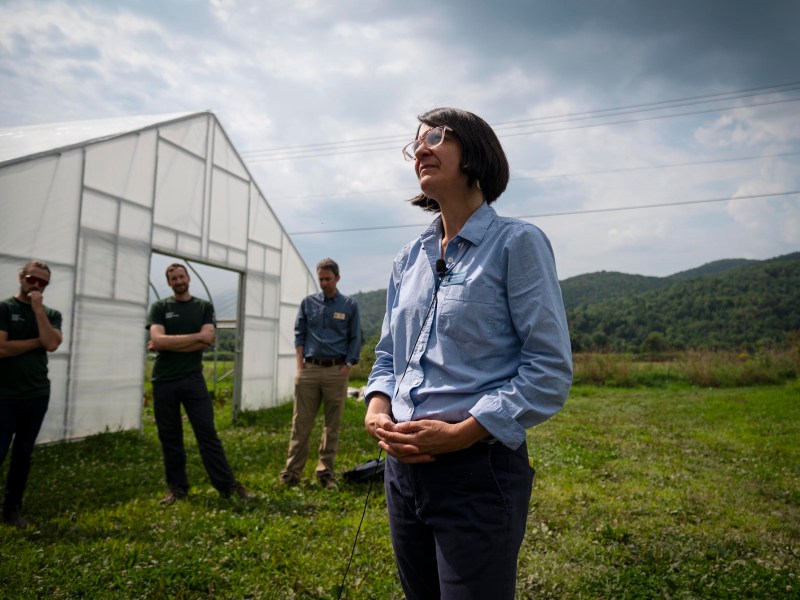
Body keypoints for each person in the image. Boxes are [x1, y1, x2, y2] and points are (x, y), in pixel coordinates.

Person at [364, 108, 573, 599]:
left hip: (477, 470)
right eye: (414, 142)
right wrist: (377, 406)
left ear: (476, 151)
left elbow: (547, 369)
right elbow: (388, 356)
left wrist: (462, 433)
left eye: (436, 136)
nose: (420, 148)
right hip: (403, 470)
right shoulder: (409, 258)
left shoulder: (516, 243)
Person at [146, 263, 250, 505]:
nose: (178, 281)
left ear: (188, 278)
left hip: (193, 378)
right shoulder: (160, 307)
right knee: (170, 437)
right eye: (173, 278)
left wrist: (168, 342)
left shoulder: (203, 306)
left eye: (181, 276)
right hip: (163, 380)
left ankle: (227, 486)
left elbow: (208, 341)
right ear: (169, 282)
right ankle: (177, 488)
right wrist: (193, 338)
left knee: (207, 434)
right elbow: (158, 340)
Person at [280, 258, 362, 489]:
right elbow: (299, 334)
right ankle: (291, 474)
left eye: (328, 279)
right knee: (300, 423)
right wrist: (299, 364)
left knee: (332, 425)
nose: (324, 283)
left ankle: (325, 473)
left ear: (337, 278)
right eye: (321, 279)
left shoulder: (349, 305)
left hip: (336, 371)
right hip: (309, 369)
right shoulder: (308, 304)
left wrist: (347, 365)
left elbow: (356, 337)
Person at [0, 260, 63, 529]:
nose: (36, 285)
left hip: (36, 394)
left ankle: (12, 508)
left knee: (23, 454)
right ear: (21, 277)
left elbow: (51, 344)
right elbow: (2, 349)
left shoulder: (51, 313)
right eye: (31, 279)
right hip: (4, 394)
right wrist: (38, 341)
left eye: (42, 282)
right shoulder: (5, 308)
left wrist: (38, 310)